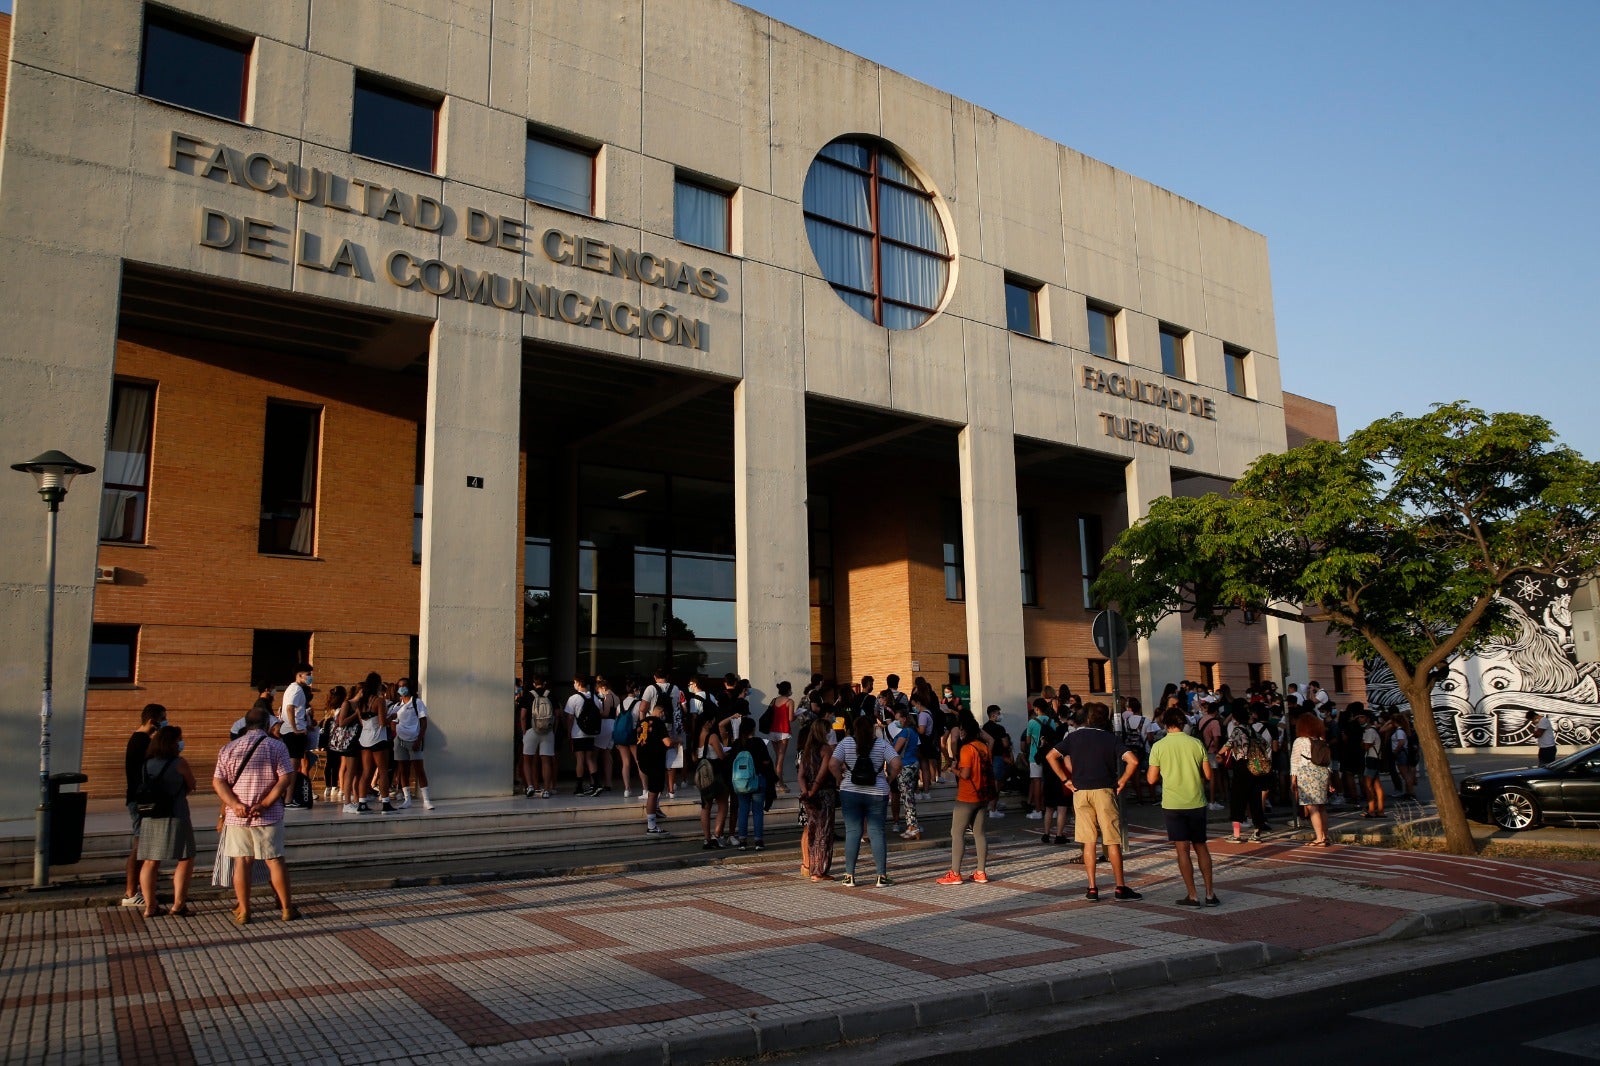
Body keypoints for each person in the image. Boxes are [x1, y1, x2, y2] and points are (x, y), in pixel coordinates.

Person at [1048, 703, 1142, 902]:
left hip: (1080, 791)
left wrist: (1065, 780)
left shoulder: (1073, 737)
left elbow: (1051, 756)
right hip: (1104, 790)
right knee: (1112, 840)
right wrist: (1123, 781)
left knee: (1088, 841)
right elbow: (1133, 761)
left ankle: (1092, 888)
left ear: (1087, 718)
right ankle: (1120, 887)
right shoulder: (1110, 738)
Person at [213, 704, 296, 925]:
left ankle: (245, 910)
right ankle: (287, 908)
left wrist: (234, 804)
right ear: (267, 724)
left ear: (246, 724)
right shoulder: (276, 746)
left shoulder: (228, 748)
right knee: (274, 860)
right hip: (268, 815)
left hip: (237, 815)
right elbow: (285, 778)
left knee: (242, 861)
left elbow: (218, 782)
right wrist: (266, 802)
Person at [1148, 707, 1220, 907]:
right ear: (1183, 723)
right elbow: (1208, 775)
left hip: (1173, 803)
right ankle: (1210, 893)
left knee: (1182, 849)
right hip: (1196, 801)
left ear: (1165, 723)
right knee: (1201, 846)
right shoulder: (1196, 743)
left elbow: (1152, 778)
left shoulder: (1159, 746)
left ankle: (1192, 895)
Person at [830, 713, 901, 888]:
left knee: (853, 832)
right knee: (877, 832)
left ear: (854, 728)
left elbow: (832, 764)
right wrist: (889, 779)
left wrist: (840, 778)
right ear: (872, 728)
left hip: (850, 791)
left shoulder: (846, 743)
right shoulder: (881, 743)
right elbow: (897, 763)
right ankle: (881, 876)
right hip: (877, 792)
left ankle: (849, 876)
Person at [134, 723, 196, 917]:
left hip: (151, 816)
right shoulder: (179, 763)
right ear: (172, 743)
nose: (180, 743)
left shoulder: (146, 764)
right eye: (178, 740)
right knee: (185, 857)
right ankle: (178, 904)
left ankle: (150, 905)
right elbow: (191, 784)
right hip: (175, 814)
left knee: (150, 861)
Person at [938, 719, 994, 886]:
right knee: (980, 833)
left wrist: (952, 769)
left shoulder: (967, 749)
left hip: (967, 796)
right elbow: (990, 741)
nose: (960, 733)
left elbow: (965, 774)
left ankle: (955, 873)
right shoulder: (984, 748)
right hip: (983, 795)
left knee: (957, 833)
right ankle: (981, 871)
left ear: (965, 731)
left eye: (962, 730)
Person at [121, 704, 166, 909]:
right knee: (140, 845)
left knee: (143, 845)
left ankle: (141, 888)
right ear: (152, 721)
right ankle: (131, 892)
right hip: (141, 801)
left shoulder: (138, 740)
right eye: (162, 719)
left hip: (141, 799)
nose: (165, 722)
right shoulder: (141, 741)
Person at [1224, 703, 1273, 841]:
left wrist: (1220, 754)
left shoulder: (1237, 730)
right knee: (1255, 800)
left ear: (1235, 718)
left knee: (1238, 800)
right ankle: (1257, 832)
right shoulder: (1253, 730)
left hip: (1241, 766)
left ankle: (1236, 834)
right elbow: (1265, 744)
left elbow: (1228, 744)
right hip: (1255, 766)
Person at [798, 720, 838, 881]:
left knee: (813, 831)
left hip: (808, 794)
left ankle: (813, 866)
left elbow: (800, 775)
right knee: (824, 831)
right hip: (823, 793)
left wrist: (805, 791)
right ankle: (820, 870)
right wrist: (814, 790)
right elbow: (822, 774)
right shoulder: (825, 749)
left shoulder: (806, 751)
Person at [390, 676, 433, 810]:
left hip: (414, 739)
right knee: (403, 770)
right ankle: (407, 798)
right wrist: (395, 730)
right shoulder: (397, 705)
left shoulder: (417, 703)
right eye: (399, 686)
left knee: (419, 769)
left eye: (404, 685)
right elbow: (392, 721)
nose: (402, 688)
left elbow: (423, 723)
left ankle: (426, 800)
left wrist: (419, 739)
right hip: (400, 740)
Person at [730, 724, 776, 850]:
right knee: (757, 812)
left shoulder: (737, 744)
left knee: (743, 810)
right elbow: (766, 760)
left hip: (741, 782)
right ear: (753, 729)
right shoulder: (758, 742)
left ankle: (742, 841)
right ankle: (758, 841)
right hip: (758, 779)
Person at [1291, 711, 1333, 846]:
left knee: (1311, 807)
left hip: (1306, 773)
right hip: (1322, 773)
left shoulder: (1299, 741)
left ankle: (1319, 838)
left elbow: (1295, 761)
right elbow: (1328, 761)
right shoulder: (1321, 741)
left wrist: (1293, 779)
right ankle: (1325, 836)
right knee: (1321, 806)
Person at [635, 697, 673, 835]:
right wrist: (677, 741)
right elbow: (667, 742)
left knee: (655, 790)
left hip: (643, 759)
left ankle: (655, 811)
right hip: (655, 760)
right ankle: (651, 826)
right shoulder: (658, 723)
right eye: (664, 713)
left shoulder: (642, 722)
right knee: (653, 793)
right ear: (661, 711)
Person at [278, 663, 314, 809]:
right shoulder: (296, 689)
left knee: (292, 765)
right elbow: (289, 708)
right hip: (293, 733)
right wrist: (295, 728)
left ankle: (286, 797)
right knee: (293, 767)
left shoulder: (294, 689)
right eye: (308, 674)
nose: (310, 677)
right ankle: (288, 798)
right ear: (299, 675)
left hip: (294, 730)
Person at [695, 712, 730, 849]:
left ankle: (706, 838)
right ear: (707, 722)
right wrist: (728, 752)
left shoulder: (695, 737)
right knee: (722, 804)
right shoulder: (712, 736)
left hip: (703, 774)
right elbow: (721, 755)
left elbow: (693, 757)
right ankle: (717, 835)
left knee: (705, 806)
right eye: (711, 722)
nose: (713, 724)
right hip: (715, 772)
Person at [565, 674, 602, 796]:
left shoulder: (573, 698)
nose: (574, 684)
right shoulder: (595, 698)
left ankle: (579, 786)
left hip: (578, 733)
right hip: (591, 733)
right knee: (590, 758)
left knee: (580, 760)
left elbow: (570, 718)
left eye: (574, 682)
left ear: (579, 682)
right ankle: (596, 784)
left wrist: (569, 733)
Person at [889, 704, 922, 840]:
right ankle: (911, 826)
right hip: (913, 764)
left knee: (907, 797)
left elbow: (895, 750)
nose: (897, 722)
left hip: (905, 765)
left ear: (903, 719)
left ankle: (913, 826)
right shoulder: (913, 732)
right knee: (909, 796)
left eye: (898, 719)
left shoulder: (904, 732)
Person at [520, 675, 556, 798]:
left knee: (527, 760)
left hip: (531, 730)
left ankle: (530, 786)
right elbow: (558, 714)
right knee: (546, 761)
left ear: (534, 683)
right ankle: (546, 790)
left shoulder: (528, 695)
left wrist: (524, 731)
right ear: (544, 683)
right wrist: (553, 730)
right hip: (547, 731)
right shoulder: (550, 694)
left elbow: (523, 716)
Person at [614, 679, 643, 798]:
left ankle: (627, 789)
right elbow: (642, 721)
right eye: (639, 689)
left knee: (625, 763)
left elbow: (617, 720)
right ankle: (645, 789)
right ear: (635, 690)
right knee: (639, 762)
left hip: (621, 736)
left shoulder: (620, 705)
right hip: (633, 735)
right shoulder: (639, 704)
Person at [981, 705, 1011, 818]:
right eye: (998, 713)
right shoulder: (1000, 729)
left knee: (990, 783)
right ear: (993, 714)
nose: (1000, 715)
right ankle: (993, 808)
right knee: (997, 784)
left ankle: (992, 805)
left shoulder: (984, 728)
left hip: (987, 758)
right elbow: (1005, 744)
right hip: (998, 757)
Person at [1357, 707, 1386, 818]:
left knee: (1368, 786)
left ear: (1368, 719)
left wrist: (1363, 742)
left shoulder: (1369, 731)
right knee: (1377, 785)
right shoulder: (1373, 731)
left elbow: (1365, 746)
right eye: (1359, 717)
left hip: (1371, 759)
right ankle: (1380, 810)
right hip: (1375, 759)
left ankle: (1371, 809)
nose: (1360, 719)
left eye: (1362, 717)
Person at [593, 675, 620, 793]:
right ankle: (608, 782)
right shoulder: (617, 697)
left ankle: (594, 781)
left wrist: (597, 711)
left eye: (599, 689)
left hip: (605, 725)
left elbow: (605, 713)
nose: (599, 692)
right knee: (608, 754)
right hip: (614, 724)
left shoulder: (607, 697)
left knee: (595, 753)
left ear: (603, 688)